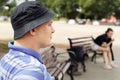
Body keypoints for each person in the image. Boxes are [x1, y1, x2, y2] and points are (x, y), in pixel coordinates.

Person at [0, 1, 57, 80]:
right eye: (49, 25)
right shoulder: (31, 70)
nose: (53, 30)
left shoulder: (6, 58)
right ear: (33, 30)